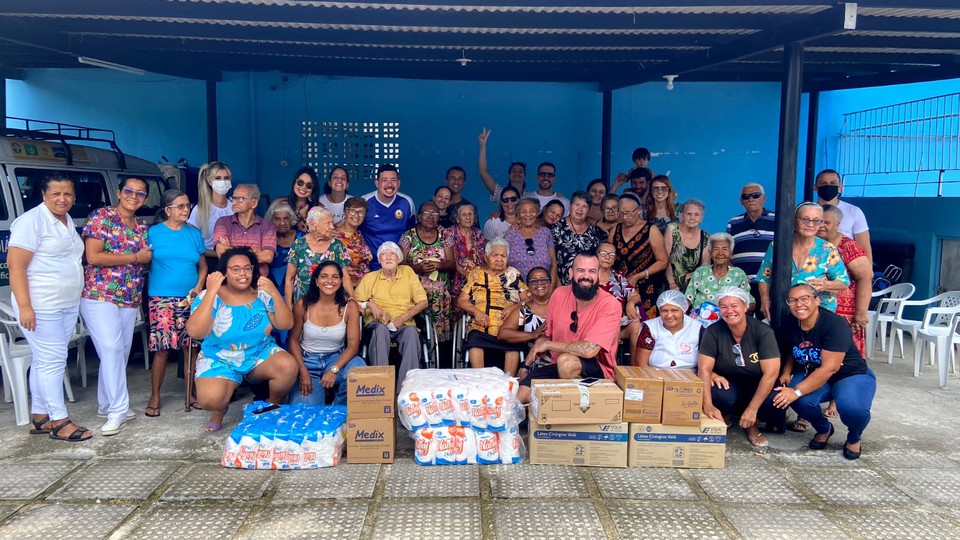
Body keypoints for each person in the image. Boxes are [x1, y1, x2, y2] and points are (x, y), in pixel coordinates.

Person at [8, 171, 90, 441]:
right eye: (55, 193)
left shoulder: (65, 220)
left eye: (67, 193)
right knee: (54, 361)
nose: (62, 198)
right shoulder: (31, 221)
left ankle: (40, 417)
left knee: (45, 360)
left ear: (74, 196)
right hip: (41, 303)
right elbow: (16, 266)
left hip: (64, 302)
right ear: (43, 195)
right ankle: (59, 420)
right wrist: (25, 307)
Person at [187, 247, 297, 432]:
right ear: (225, 272)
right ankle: (220, 410)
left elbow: (285, 324)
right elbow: (195, 332)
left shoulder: (262, 294)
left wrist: (275, 293)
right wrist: (211, 291)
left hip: (258, 352)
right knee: (209, 400)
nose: (243, 274)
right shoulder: (210, 296)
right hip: (219, 357)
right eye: (235, 269)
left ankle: (270, 406)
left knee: (288, 366)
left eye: (247, 268)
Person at [80, 177, 152, 436]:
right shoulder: (102, 217)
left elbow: (145, 261)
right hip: (99, 294)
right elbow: (93, 256)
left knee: (119, 351)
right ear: (119, 192)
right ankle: (118, 410)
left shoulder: (142, 226)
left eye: (140, 193)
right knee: (110, 348)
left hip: (129, 295)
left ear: (145, 199)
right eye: (129, 191)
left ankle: (105, 403)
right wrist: (135, 257)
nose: (134, 196)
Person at [773, 283, 876, 460]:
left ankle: (854, 436)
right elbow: (792, 347)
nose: (799, 304)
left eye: (804, 299)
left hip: (849, 374)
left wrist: (796, 391)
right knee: (798, 400)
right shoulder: (790, 322)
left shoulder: (834, 324)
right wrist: (786, 371)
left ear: (817, 300)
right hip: (813, 371)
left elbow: (830, 368)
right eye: (793, 300)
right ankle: (824, 428)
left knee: (853, 409)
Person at [517, 252, 622, 404]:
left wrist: (549, 345)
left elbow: (589, 350)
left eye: (592, 271)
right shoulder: (559, 295)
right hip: (557, 365)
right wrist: (525, 366)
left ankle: (576, 412)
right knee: (521, 396)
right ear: (571, 272)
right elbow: (547, 335)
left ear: (599, 274)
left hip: (597, 371)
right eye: (581, 270)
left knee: (567, 362)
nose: (586, 276)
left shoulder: (610, 304)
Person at [144, 189, 207, 418]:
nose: (186, 209)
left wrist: (199, 286)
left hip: (189, 298)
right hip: (160, 298)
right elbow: (144, 261)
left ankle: (189, 394)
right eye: (180, 206)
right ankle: (155, 396)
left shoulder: (193, 234)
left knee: (190, 348)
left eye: (187, 205)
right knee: (161, 349)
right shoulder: (153, 233)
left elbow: (203, 266)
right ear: (167, 210)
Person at [699, 287, 784, 447]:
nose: (729, 311)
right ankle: (726, 415)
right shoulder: (713, 331)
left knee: (775, 400)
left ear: (745, 307)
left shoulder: (762, 331)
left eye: (734, 305)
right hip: (729, 381)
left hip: (757, 381)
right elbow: (704, 369)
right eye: (723, 306)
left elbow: (771, 374)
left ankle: (752, 423)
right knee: (718, 393)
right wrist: (707, 405)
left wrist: (752, 409)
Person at [288, 261, 366, 406]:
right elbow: (293, 340)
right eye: (324, 276)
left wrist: (334, 369)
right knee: (306, 411)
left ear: (341, 281)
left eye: (335, 277)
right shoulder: (303, 304)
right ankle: (322, 394)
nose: (329, 281)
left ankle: (337, 407)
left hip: (336, 359)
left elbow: (353, 345)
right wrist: (303, 372)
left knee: (359, 370)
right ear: (316, 281)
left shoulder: (350, 306)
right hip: (308, 362)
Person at [354, 242, 428, 389]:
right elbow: (354, 302)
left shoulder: (407, 272)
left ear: (399, 258)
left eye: (392, 254)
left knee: (412, 333)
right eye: (384, 254)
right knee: (380, 331)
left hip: (404, 323)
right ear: (379, 260)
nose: (388, 257)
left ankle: (406, 388)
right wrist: (369, 304)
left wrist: (404, 317)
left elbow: (423, 302)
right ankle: (382, 387)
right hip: (377, 324)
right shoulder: (370, 278)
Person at [757, 202, 850, 319]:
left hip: (820, 312)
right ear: (794, 220)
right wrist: (765, 300)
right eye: (805, 219)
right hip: (786, 309)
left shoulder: (827, 249)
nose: (810, 224)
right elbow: (764, 277)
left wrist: (825, 285)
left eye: (816, 221)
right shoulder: (778, 246)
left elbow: (844, 282)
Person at [457, 238, 527, 375]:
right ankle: (482, 381)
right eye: (495, 255)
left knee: (513, 342)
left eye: (503, 256)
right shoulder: (476, 274)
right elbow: (462, 300)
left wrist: (513, 308)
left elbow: (527, 300)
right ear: (486, 257)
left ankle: (508, 384)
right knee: (475, 339)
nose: (499, 259)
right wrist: (476, 312)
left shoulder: (514, 274)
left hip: (507, 324)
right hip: (481, 323)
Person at [818, 205, 872, 356]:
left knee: (844, 356)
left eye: (826, 222)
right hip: (818, 311)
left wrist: (861, 313)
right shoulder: (814, 245)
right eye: (819, 221)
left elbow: (865, 277)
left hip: (845, 315)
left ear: (838, 225)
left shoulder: (848, 246)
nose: (821, 226)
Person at [400, 201, 455, 344]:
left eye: (435, 214)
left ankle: (437, 358)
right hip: (414, 294)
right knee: (416, 332)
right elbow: (400, 264)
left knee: (439, 339)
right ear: (419, 217)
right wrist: (417, 268)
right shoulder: (408, 236)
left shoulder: (445, 235)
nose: (431, 217)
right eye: (426, 213)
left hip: (439, 296)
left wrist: (439, 265)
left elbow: (452, 263)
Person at [610, 192, 667, 319]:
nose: (625, 217)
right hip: (618, 288)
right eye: (621, 213)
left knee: (643, 328)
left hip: (645, 288)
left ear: (639, 211)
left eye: (629, 213)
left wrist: (639, 276)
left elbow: (663, 261)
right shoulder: (615, 230)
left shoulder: (651, 230)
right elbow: (609, 258)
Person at [285, 206, 351, 307]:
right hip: (303, 304)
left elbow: (345, 277)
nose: (332, 227)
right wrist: (289, 306)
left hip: (331, 304)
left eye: (331, 222)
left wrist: (353, 300)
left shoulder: (337, 245)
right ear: (314, 225)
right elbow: (289, 278)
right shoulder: (299, 244)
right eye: (327, 223)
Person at [726, 183, 776, 317]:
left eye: (755, 195)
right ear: (741, 201)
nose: (751, 199)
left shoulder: (778, 219)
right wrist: (737, 275)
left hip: (771, 284)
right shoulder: (733, 222)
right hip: (743, 283)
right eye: (746, 196)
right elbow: (726, 253)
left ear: (764, 198)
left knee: (769, 321)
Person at [213, 183, 276, 277]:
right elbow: (222, 253)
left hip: (258, 281)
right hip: (230, 281)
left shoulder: (267, 226)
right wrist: (253, 251)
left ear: (254, 203)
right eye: (233, 198)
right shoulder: (223, 222)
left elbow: (268, 257)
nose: (234, 202)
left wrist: (232, 249)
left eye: (240, 199)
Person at [360, 164, 416, 270]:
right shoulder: (365, 202)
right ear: (377, 183)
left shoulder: (407, 202)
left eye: (393, 180)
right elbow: (352, 228)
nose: (389, 184)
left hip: (400, 266)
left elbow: (413, 233)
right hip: (371, 267)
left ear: (399, 183)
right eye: (384, 180)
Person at [497, 267, 554, 369]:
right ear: (528, 286)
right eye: (534, 281)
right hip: (536, 367)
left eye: (544, 279)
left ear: (550, 283)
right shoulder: (524, 310)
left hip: (563, 362)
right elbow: (503, 334)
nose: (539, 283)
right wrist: (532, 335)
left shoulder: (562, 304)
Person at [634, 291, 702, 370]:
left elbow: (706, 365)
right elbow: (641, 365)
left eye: (674, 310)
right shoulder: (650, 328)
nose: (669, 315)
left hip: (691, 379)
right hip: (656, 377)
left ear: (684, 310)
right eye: (664, 311)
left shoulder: (697, 328)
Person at [815, 169, 872, 262]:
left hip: (846, 267)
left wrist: (868, 273)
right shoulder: (807, 212)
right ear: (815, 187)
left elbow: (864, 247)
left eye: (833, 183)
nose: (828, 186)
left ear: (840, 187)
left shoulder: (854, 211)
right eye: (823, 183)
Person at [551, 191, 607, 286]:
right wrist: (557, 284)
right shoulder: (557, 228)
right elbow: (552, 260)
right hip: (563, 283)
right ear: (570, 206)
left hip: (588, 284)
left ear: (588, 210)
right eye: (576, 204)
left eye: (584, 206)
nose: (580, 209)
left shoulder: (595, 230)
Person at [686, 233, 752, 310]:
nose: (720, 253)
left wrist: (736, 310)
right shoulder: (700, 272)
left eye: (725, 249)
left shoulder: (738, 274)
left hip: (728, 318)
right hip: (700, 318)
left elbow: (749, 301)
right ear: (710, 253)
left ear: (731, 253)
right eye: (716, 249)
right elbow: (688, 298)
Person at [597, 241, 641, 357]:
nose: (607, 257)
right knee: (612, 329)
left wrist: (630, 303)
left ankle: (634, 369)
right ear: (596, 255)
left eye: (611, 255)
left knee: (636, 325)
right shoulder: (588, 276)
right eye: (603, 253)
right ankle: (609, 369)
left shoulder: (617, 276)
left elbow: (635, 295)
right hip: (595, 323)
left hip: (617, 323)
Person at [188, 161, 233, 269]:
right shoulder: (200, 209)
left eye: (226, 178)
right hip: (208, 262)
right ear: (209, 181)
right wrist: (218, 254)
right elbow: (191, 242)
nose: (223, 181)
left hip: (233, 260)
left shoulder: (234, 208)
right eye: (218, 178)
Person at [504, 198, 557, 285]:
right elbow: (504, 265)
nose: (528, 214)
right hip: (517, 291)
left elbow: (554, 265)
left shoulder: (545, 233)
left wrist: (550, 289)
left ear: (537, 213)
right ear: (518, 215)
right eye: (524, 211)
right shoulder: (510, 234)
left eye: (532, 211)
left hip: (543, 289)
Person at [665, 199, 710, 293]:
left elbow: (705, 265)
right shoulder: (672, 230)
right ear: (682, 216)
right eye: (689, 214)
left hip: (695, 286)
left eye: (697, 215)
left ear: (701, 218)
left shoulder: (705, 237)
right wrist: (672, 284)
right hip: (670, 286)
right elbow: (665, 259)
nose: (692, 218)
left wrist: (695, 275)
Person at [444, 203, 486, 301]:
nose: (468, 217)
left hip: (476, 281)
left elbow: (482, 258)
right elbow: (451, 260)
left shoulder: (478, 233)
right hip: (454, 279)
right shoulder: (448, 233)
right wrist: (467, 276)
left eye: (470, 214)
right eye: (464, 214)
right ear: (457, 218)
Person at [265, 199, 302, 298]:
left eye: (286, 218)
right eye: (277, 219)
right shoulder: (265, 240)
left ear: (291, 220)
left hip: (298, 292)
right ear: (271, 220)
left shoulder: (302, 238)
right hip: (271, 292)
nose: (282, 223)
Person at [478, 127, 527, 201]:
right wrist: (482, 146)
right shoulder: (501, 194)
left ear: (525, 177)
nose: (517, 173)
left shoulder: (531, 197)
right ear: (509, 176)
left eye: (520, 171)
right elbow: (483, 172)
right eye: (514, 171)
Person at [335, 196, 373, 287]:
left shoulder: (359, 235)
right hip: (346, 289)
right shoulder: (335, 237)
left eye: (361, 212)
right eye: (352, 211)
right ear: (345, 212)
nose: (356, 215)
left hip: (365, 287)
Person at [276, 166, 320, 233]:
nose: (303, 187)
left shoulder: (318, 208)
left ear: (313, 189)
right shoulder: (280, 203)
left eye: (309, 186)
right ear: (294, 182)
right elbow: (268, 228)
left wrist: (308, 232)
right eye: (300, 182)